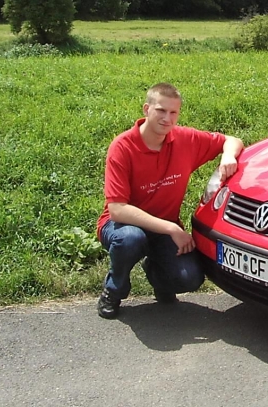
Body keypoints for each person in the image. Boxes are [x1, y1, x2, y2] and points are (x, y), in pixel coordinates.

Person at [96, 82, 243, 319]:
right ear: (146, 109)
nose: (167, 118)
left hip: (163, 228)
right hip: (122, 227)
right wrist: (172, 228)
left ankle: (157, 273)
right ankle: (114, 290)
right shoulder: (122, 147)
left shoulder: (184, 140)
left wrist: (227, 155)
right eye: (161, 111)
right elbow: (117, 210)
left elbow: (232, 140)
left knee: (190, 279)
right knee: (131, 239)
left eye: (173, 112)